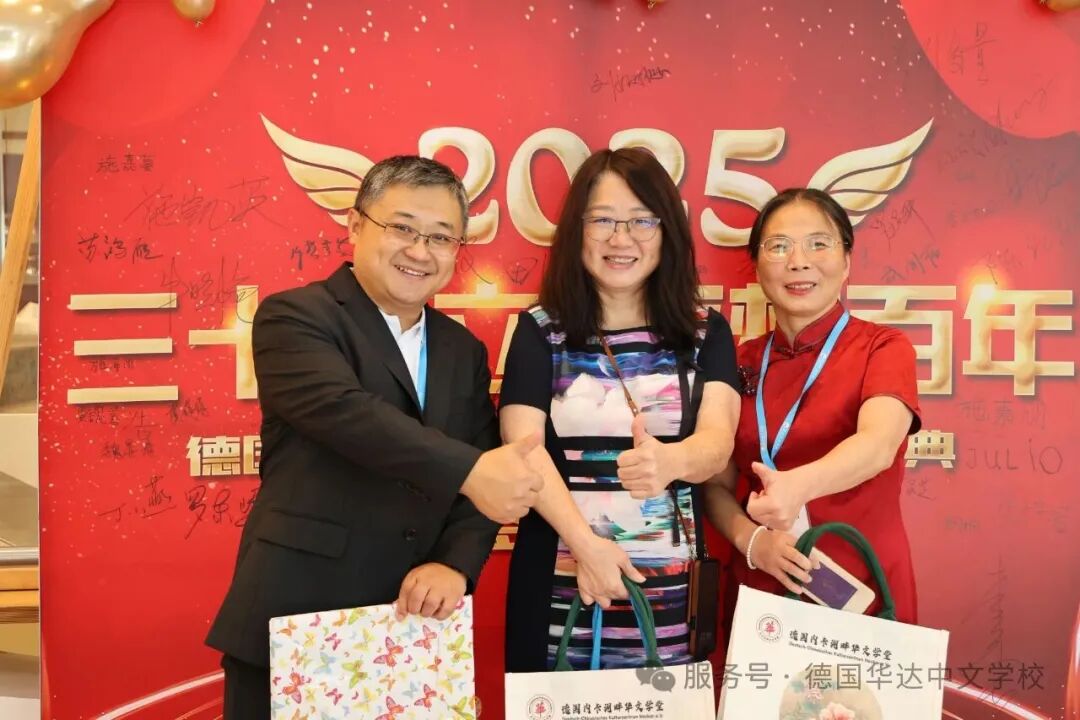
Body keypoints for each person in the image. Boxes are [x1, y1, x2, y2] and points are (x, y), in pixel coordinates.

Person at [206, 155, 543, 718]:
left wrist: (456, 564)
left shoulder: (461, 349)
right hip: (298, 619)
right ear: (356, 225)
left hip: (412, 631)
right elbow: (347, 415)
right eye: (403, 228)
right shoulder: (296, 316)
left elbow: (485, 461)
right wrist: (472, 471)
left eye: (441, 237)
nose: (420, 251)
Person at [500, 148, 741, 671]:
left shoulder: (706, 332)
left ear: (667, 232)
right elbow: (524, 449)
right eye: (603, 220)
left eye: (641, 221)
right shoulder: (540, 330)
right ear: (577, 231)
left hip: (671, 594)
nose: (621, 238)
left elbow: (718, 441)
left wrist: (672, 461)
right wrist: (586, 547)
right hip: (559, 584)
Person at [703, 188, 922, 627]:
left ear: (847, 261)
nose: (798, 261)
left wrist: (796, 486)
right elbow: (715, 483)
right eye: (778, 246)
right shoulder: (739, 360)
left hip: (862, 585)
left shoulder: (882, 347)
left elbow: (878, 445)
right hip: (764, 582)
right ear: (757, 265)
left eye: (818, 244)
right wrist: (751, 541)